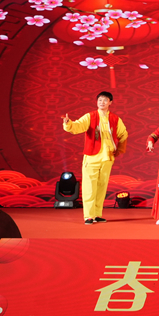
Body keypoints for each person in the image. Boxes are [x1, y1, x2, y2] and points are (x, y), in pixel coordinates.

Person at [61, 90, 128, 225]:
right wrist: (68, 123)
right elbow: (77, 126)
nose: (102, 102)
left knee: (101, 186)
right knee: (89, 187)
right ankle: (89, 216)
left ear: (110, 102)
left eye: (105, 100)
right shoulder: (90, 116)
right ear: (96, 102)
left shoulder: (115, 119)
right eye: (100, 100)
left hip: (107, 157)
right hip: (92, 157)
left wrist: (119, 149)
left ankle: (97, 214)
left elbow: (123, 134)